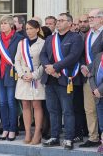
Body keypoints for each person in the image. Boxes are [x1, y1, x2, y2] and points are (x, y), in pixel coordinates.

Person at [40, 13, 83, 150]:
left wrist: (55, 67)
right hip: (50, 79)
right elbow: (43, 55)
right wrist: (49, 67)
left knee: (67, 110)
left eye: (61, 20)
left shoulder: (75, 38)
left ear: (70, 24)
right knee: (53, 110)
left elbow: (73, 56)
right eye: (57, 21)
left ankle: (69, 138)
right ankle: (54, 137)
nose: (58, 23)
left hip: (65, 78)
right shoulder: (50, 38)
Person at [0, 15, 24, 141]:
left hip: (11, 74)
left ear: (11, 25)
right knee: (2, 102)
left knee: (11, 102)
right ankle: (5, 128)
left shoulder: (19, 38)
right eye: (1, 23)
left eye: (5, 23)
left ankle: (12, 129)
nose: (3, 25)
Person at [14, 20, 45, 145]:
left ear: (37, 29)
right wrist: (21, 74)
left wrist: (34, 75)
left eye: (31, 28)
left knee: (36, 105)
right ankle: (28, 132)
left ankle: (37, 132)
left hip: (36, 78)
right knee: (25, 104)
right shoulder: (21, 43)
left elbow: (44, 62)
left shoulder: (43, 43)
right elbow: (17, 60)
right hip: (23, 79)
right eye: (27, 29)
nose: (29, 31)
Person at [80, 9, 103, 148]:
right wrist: (83, 67)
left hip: (100, 76)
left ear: (101, 19)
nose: (90, 19)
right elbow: (82, 53)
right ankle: (93, 137)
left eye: (92, 17)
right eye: (89, 17)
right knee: (90, 108)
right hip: (88, 77)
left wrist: (89, 67)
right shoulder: (87, 35)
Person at [88, 52, 103, 153]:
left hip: (100, 92)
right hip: (98, 96)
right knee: (102, 123)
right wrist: (94, 89)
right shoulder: (98, 56)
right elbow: (91, 75)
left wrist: (100, 90)